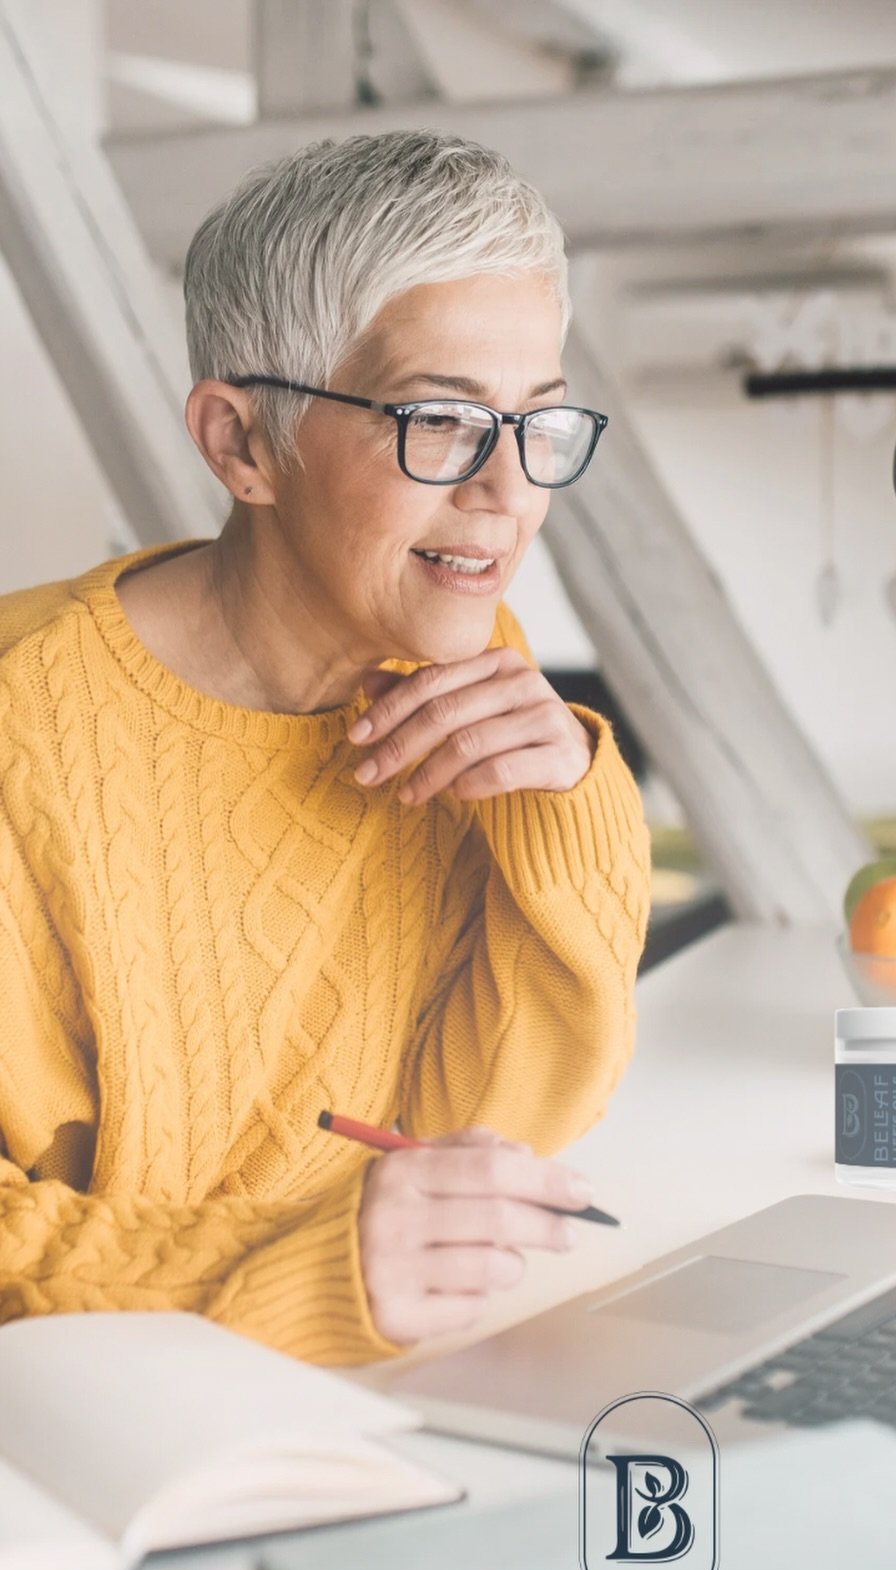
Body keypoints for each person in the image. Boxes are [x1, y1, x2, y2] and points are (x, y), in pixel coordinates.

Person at [0, 131, 652, 1363]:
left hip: (372, 1370)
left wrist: (569, 798)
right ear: (243, 443)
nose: (508, 492)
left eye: (542, 426)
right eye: (441, 422)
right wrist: (286, 1268)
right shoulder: (18, 729)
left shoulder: (452, 668)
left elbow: (495, 1128)